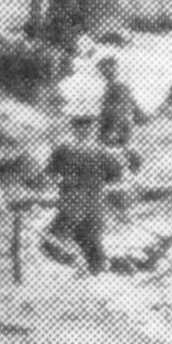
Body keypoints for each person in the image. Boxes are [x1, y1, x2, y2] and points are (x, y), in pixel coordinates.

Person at [44, 113, 126, 274]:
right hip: (78, 205)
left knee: (86, 245)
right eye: (80, 127)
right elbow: (50, 174)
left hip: (83, 205)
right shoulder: (65, 151)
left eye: (88, 127)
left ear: (94, 129)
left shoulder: (103, 153)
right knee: (59, 242)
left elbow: (117, 178)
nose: (84, 130)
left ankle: (90, 274)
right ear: (74, 129)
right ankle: (82, 268)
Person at [96, 55, 146, 168]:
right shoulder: (111, 87)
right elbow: (134, 107)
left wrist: (113, 128)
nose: (105, 72)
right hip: (113, 125)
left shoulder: (119, 87)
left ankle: (132, 168)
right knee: (115, 152)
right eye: (103, 69)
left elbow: (124, 108)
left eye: (109, 68)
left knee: (118, 151)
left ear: (115, 69)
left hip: (117, 126)